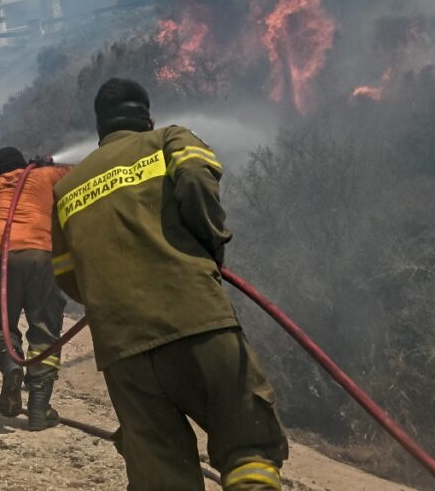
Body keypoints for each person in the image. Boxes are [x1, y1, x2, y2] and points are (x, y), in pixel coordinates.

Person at [50, 78, 288, 490]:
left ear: (99, 127)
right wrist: (210, 242)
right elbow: (196, 178)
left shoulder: (65, 188)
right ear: (147, 117)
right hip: (197, 322)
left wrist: (110, 296)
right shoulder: (168, 139)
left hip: (122, 350)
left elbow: (66, 274)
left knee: (161, 477)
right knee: (248, 447)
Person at [0, 146, 70, 429]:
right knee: (45, 326)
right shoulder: (44, 176)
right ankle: (39, 408)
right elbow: (77, 174)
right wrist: (49, 164)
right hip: (39, 255)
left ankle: (10, 366)